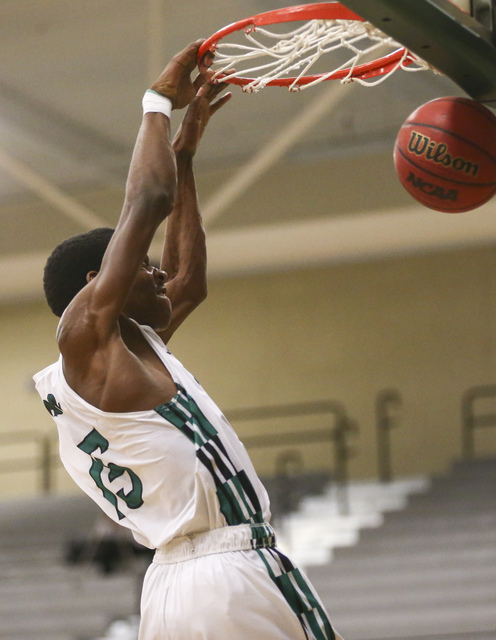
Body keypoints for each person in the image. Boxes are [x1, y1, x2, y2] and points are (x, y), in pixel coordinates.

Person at [34, 41, 343, 640]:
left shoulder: (116, 357)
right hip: (227, 571)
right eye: (139, 265)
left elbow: (188, 282)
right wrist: (157, 104)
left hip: (175, 586)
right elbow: (147, 198)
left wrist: (187, 159)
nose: (154, 274)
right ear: (99, 282)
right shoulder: (85, 339)